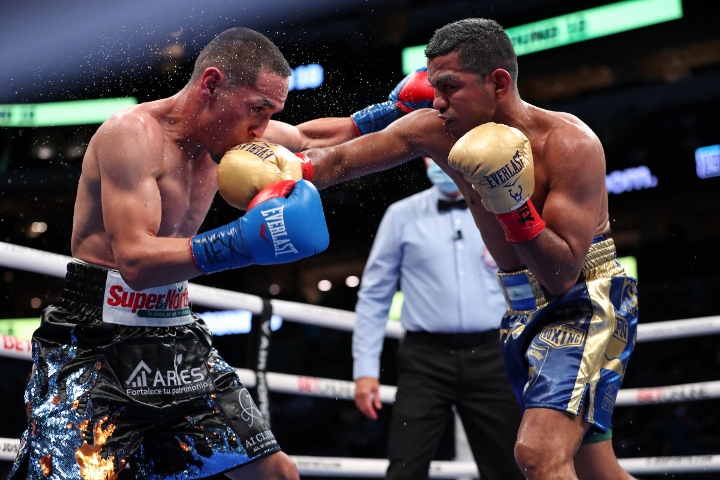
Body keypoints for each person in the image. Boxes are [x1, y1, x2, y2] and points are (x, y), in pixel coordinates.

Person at [263, 18, 639, 480]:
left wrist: (511, 204)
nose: (435, 100)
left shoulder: (569, 144)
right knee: (598, 471)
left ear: (498, 82)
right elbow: (334, 157)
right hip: (520, 308)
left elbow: (561, 274)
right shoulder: (435, 129)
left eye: (449, 86)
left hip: (586, 302)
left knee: (537, 454)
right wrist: (270, 169)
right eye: (433, 84)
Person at [9, 27, 330, 480]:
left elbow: (322, 138)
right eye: (257, 109)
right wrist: (241, 242)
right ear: (212, 84)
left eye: (269, 114)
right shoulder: (133, 134)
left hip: (176, 333)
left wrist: (402, 118)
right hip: (97, 337)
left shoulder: (238, 136)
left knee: (277, 474)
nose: (261, 130)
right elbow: (135, 263)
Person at [352, 157, 524, 480]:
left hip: (493, 356)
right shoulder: (400, 215)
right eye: (432, 155)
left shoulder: (499, 210)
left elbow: (527, 282)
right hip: (424, 362)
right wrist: (365, 369)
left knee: (510, 470)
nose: (440, 164)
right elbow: (375, 295)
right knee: (404, 469)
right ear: (423, 158)